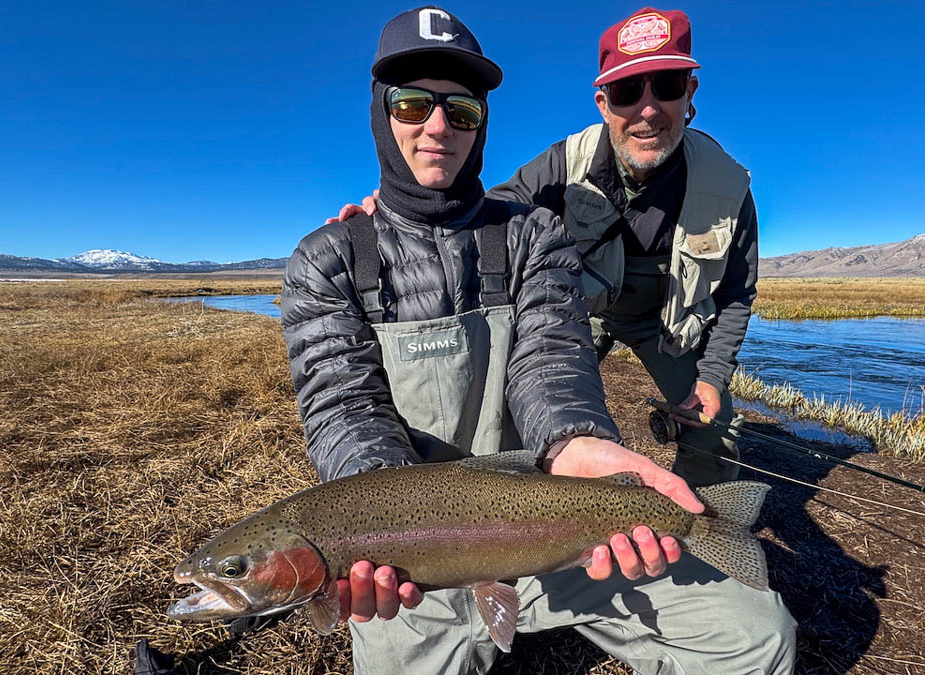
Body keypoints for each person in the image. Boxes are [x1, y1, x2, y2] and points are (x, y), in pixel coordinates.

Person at [284, 6, 795, 674]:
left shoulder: (533, 236)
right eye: (413, 105)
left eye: (461, 110)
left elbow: (553, 359)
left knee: (756, 636)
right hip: (408, 561)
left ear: (481, 122)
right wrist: (378, 526)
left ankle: (703, 520)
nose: (438, 126)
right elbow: (341, 407)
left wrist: (577, 440)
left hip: (558, 534)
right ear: (383, 113)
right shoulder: (327, 259)